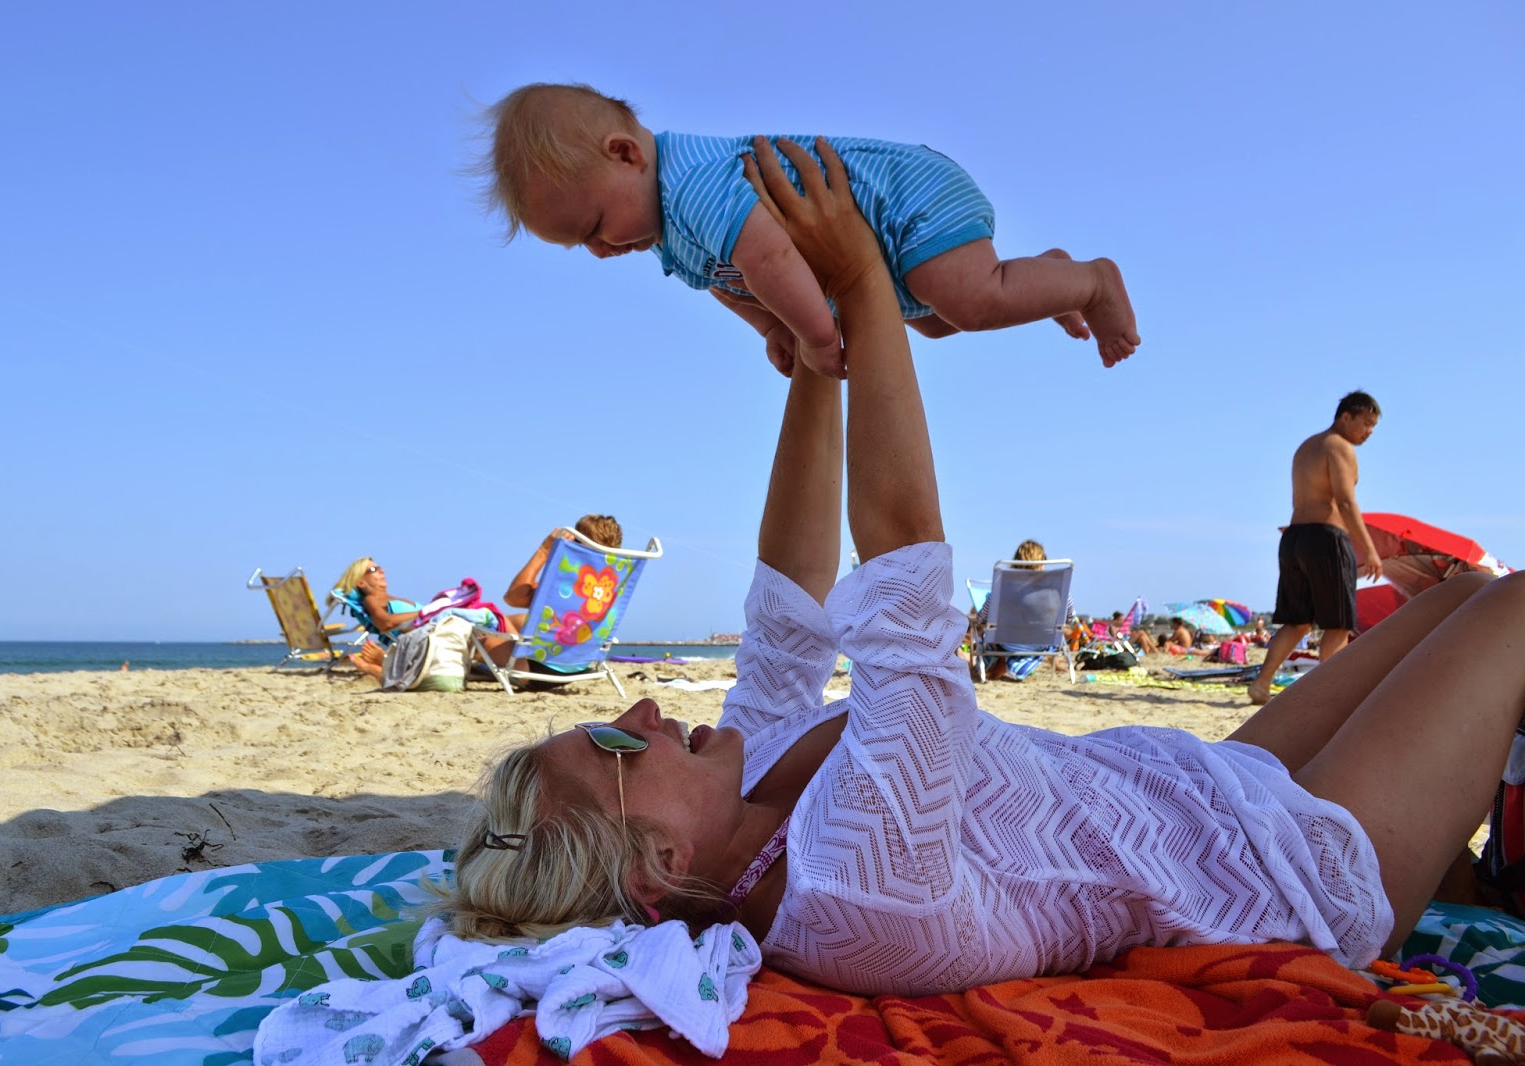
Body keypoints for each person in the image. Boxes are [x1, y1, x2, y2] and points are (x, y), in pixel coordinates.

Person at [437, 135, 1525, 999]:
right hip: (1289, 880)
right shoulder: (858, 888)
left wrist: (817, 352)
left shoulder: (745, 791)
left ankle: (1480, 862)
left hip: (1207, 795)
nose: (636, 706)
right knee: (1516, 605)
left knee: (1467, 594)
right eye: (617, 743)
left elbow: (786, 599)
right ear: (658, 868)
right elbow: (903, 569)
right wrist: (862, 279)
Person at [479, 83, 1139, 379]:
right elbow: (727, 282)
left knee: (967, 300)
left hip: (901, 194)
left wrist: (818, 337)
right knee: (939, 322)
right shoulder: (667, 232)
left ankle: (1090, 282)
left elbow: (766, 257)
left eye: (595, 227)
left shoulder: (692, 184)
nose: (601, 251)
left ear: (626, 155)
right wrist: (771, 326)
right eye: (582, 246)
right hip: (885, 246)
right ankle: (1044, 275)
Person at [1247, 392, 1385, 704]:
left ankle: (1262, 683)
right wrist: (1370, 549)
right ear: (1345, 417)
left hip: (1295, 536)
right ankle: (1332, 695)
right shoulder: (1340, 446)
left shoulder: (1306, 446)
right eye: (1365, 423)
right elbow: (1346, 501)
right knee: (1338, 624)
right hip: (1326, 538)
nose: (1369, 431)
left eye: (1373, 426)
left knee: (1297, 621)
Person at [332, 558, 516, 681]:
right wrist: (427, 612)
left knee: (517, 620)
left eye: (380, 567)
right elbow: (384, 623)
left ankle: (521, 659)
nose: (382, 571)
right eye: (374, 569)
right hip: (434, 634)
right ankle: (520, 663)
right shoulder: (372, 600)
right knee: (502, 623)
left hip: (438, 627)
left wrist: (432, 609)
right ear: (361, 582)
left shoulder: (390, 598)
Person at [503, 514, 623, 633]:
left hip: (553, 643)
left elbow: (513, 598)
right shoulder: (613, 590)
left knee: (497, 622)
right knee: (516, 621)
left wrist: (544, 550)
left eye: (575, 540)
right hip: (587, 643)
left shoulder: (569, 587)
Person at [979, 539, 1078, 681]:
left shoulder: (1002, 585)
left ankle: (999, 663)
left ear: (1016, 561)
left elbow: (983, 617)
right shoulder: (1059, 586)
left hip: (1005, 644)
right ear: (1042, 562)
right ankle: (1012, 665)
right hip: (1040, 644)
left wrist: (979, 623)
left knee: (985, 634)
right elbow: (1069, 618)